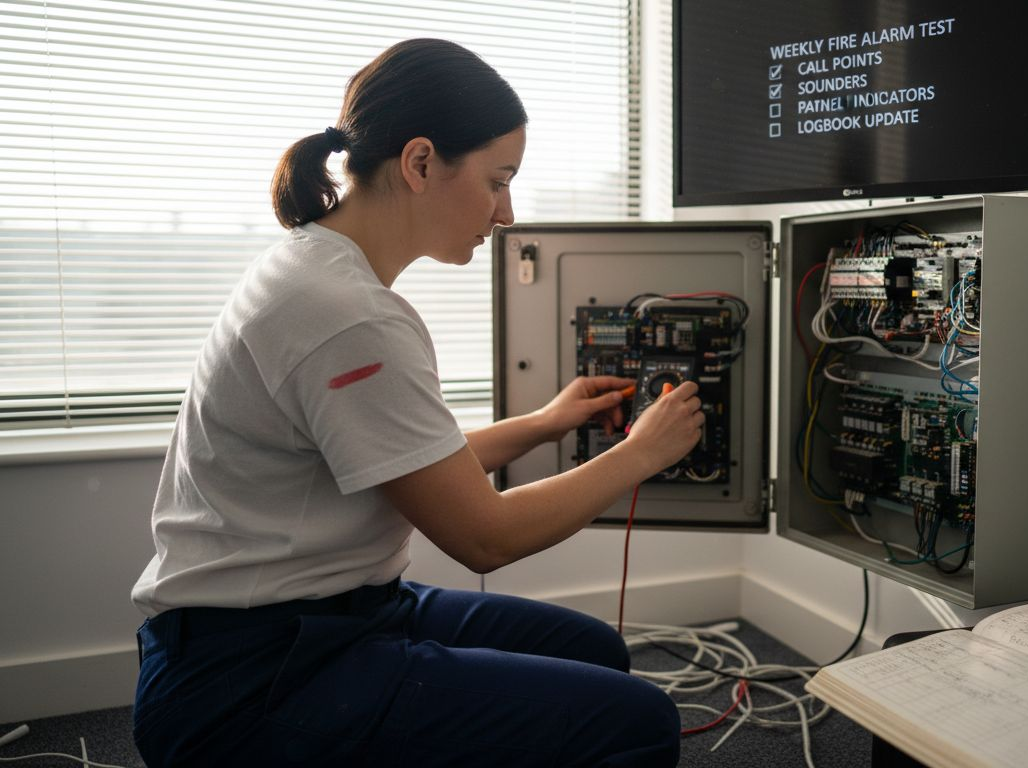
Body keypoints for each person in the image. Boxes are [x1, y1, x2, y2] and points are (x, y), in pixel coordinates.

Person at [129, 38, 701, 767]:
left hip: (339, 613)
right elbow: (484, 537)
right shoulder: (347, 313)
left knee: (594, 651)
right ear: (421, 162)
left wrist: (545, 423)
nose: (505, 214)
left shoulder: (312, 265)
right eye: (498, 181)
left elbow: (408, 461)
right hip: (254, 675)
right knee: (639, 721)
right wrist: (640, 453)